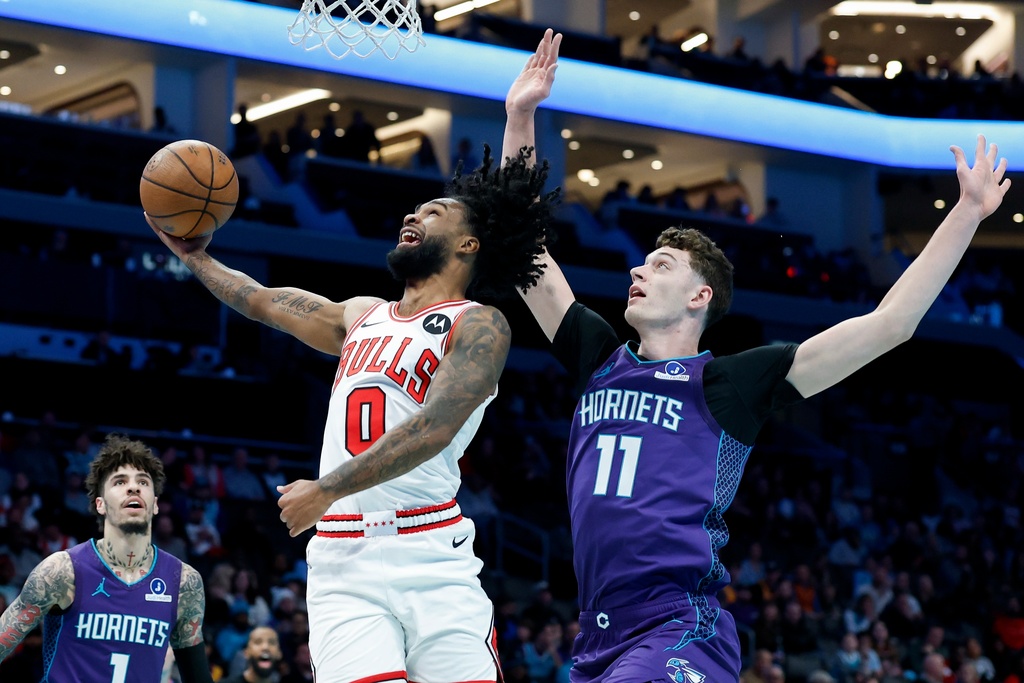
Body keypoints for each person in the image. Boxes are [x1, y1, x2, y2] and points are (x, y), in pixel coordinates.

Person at [500, 35, 1012, 682]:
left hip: (680, 627)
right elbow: (524, 250)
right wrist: (520, 118)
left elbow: (891, 324)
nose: (636, 268)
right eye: (642, 260)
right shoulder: (597, 356)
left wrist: (966, 213)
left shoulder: (730, 383)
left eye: (660, 264)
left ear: (699, 295)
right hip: (596, 632)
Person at [146, 29, 562, 683]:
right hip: (346, 557)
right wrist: (195, 259)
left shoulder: (481, 324)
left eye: (435, 210)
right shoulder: (359, 314)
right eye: (415, 207)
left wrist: (327, 487)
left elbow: (436, 424)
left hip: (433, 551)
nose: (414, 214)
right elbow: (260, 300)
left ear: (470, 246)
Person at [0, 433, 214, 682]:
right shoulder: (62, 570)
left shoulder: (184, 582)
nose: (133, 487)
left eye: (143, 482)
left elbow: (198, 678)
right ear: (100, 504)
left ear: (155, 504)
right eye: (120, 482)